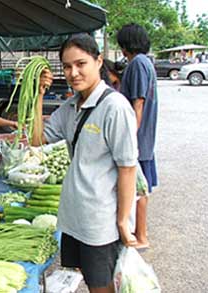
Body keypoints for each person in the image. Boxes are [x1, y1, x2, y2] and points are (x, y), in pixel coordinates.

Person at [32, 33, 138, 293]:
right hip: (75, 216)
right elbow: (37, 139)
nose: (73, 72)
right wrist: (38, 94)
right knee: (90, 280)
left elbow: (128, 168)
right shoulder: (70, 107)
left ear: (99, 61)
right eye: (67, 66)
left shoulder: (115, 107)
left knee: (101, 286)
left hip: (99, 221)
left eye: (81, 64)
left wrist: (123, 221)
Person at [117, 23, 158, 250]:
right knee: (138, 186)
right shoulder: (145, 63)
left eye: (122, 45)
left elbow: (138, 102)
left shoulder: (138, 64)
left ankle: (141, 236)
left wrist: (129, 136)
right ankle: (136, 232)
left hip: (139, 139)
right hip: (144, 138)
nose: (121, 50)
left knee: (139, 187)